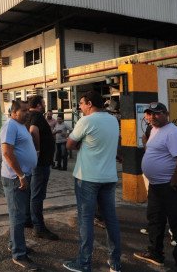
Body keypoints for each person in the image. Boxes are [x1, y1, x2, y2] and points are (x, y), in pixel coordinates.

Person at [63, 91, 121, 272]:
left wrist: (83, 145)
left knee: (85, 220)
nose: (79, 107)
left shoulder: (86, 121)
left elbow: (69, 144)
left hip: (87, 178)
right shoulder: (113, 120)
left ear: (89, 103)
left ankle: (84, 262)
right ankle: (115, 262)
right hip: (109, 177)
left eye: (81, 103)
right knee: (110, 219)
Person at [133, 102, 177, 272]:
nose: (152, 117)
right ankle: (155, 253)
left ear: (166, 114)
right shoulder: (153, 130)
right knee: (155, 221)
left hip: (174, 187)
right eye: (149, 114)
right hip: (157, 187)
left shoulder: (174, 133)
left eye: (157, 113)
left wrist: (172, 184)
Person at [1, 100, 40, 270]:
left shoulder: (20, 125)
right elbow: (7, 152)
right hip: (15, 178)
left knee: (21, 215)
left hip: (24, 176)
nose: (27, 113)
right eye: (23, 110)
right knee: (17, 217)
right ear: (13, 112)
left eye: (27, 110)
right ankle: (19, 254)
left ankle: (15, 244)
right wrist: (21, 175)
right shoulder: (10, 126)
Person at [25, 95, 59, 240]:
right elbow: (33, 132)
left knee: (31, 192)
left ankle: (28, 219)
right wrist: (37, 151)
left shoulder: (27, 116)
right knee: (37, 195)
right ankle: (39, 227)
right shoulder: (37, 116)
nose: (45, 105)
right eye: (44, 103)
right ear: (39, 105)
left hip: (34, 162)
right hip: (40, 163)